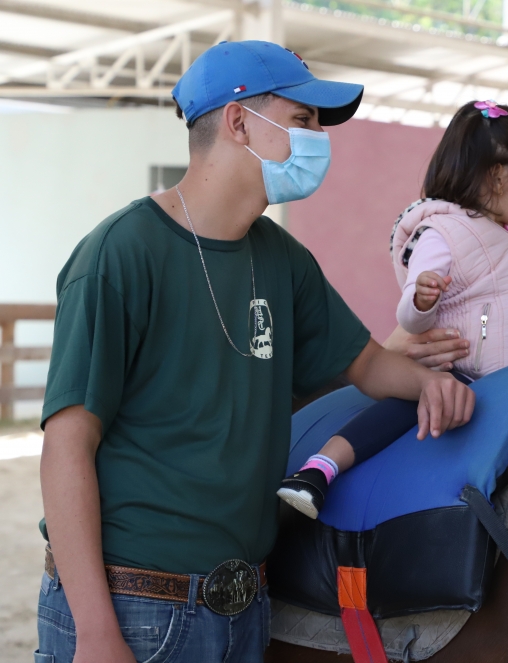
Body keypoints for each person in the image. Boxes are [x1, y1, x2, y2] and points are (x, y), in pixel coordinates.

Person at [36, 40, 474, 663]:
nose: (318, 138)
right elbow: (66, 445)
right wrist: (96, 632)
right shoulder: (120, 254)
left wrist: (434, 384)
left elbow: (368, 364)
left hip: (244, 606)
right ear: (239, 122)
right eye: (303, 119)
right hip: (132, 606)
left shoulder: (282, 258)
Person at [278, 99, 508, 518]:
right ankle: (322, 467)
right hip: (469, 374)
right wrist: (422, 299)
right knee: (416, 399)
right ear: (497, 177)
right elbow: (411, 317)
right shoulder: (444, 233)